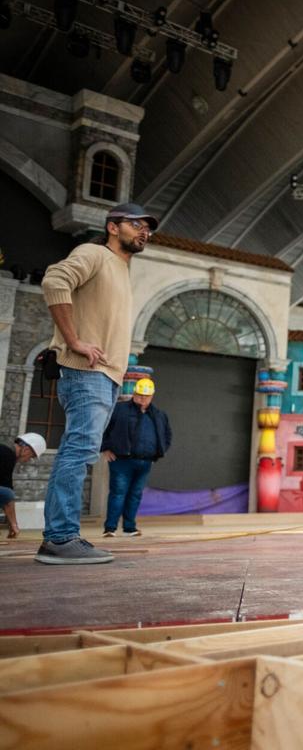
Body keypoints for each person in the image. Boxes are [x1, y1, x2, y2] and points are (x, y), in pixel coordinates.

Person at [36, 204, 156, 565]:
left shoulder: (121, 270)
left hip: (105, 378)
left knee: (81, 451)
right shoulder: (94, 254)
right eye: (136, 224)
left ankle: (62, 536)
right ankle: (59, 538)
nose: (144, 231)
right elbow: (54, 281)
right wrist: (73, 341)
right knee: (78, 450)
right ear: (112, 227)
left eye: (148, 227)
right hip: (86, 373)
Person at [101, 377, 172, 537]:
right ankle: (110, 528)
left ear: (152, 396)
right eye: (139, 395)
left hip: (145, 462)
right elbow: (104, 427)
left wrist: (159, 451)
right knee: (118, 493)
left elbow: (167, 435)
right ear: (134, 393)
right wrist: (105, 448)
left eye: (146, 396)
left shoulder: (159, 415)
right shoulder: (120, 409)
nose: (142, 399)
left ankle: (129, 528)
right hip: (121, 460)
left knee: (135, 494)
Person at [0, 434, 47, 539]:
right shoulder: (7, 455)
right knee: (7, 494)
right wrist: (14, 525)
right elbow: (8, 497)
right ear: (26, 449)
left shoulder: (4, 452)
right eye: (32, 456)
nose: (29, 460)